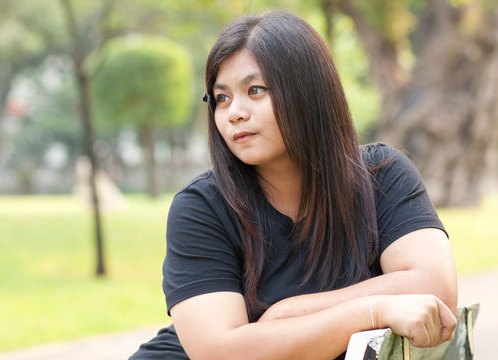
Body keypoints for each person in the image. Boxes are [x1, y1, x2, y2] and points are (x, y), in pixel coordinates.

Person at [129, 10, 457, 360]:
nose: (234, 112)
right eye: (221, 97)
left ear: (307, 90)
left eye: (255, 90)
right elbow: (220, 352)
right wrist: (371, 310)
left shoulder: (382, 175)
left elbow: (434, 288)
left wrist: (289, 313)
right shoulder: (202, 207)